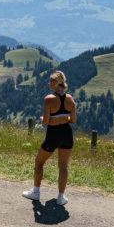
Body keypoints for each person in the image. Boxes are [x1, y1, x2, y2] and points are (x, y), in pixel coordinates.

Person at [22, 70, 76, 206]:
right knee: (63, 166)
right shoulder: (70, 99)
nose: (49, 83)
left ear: (57, 82)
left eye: (51, 80)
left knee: (39, 162)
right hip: (67, 134)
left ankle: (36, 192)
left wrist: (43, 119)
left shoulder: (49, 99)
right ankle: (61, 197)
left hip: (53, 135)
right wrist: (62, 118)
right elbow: (73, 120)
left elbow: (45, 121)